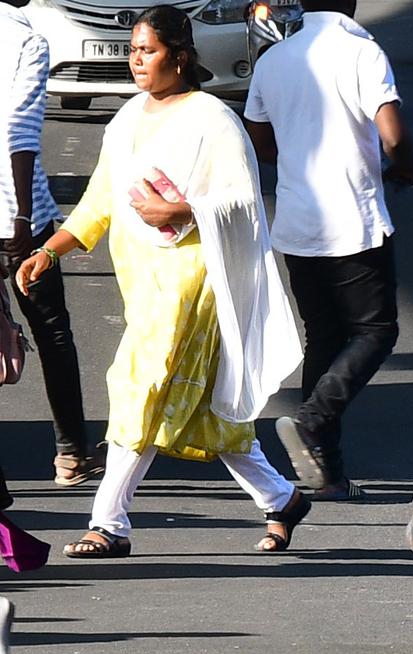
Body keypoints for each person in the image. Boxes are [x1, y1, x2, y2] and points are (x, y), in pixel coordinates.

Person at [15, 5, 308, 557]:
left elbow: (243, 201)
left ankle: (109, 523)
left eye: (146, 51)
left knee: (138, 387)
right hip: (143, 284)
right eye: (132, 51)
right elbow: (100, 198)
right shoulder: (127, 118)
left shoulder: (212, 119)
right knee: (199, 407)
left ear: (180, 55)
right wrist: (49, 252)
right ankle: (281, 498)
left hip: (194, 279)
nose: (136, 61)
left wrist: (182, 212)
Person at [244, 0, 413, 502]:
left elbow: (259, 136)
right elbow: (393, 134)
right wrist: (405, 169)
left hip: (298, 222)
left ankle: (326, 471)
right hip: (354, 222)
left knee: (323, 334)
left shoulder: (274, 59)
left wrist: (295, 156)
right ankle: (312, 420)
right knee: (375, 331)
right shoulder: (363, 53)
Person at [0, 0, 101, 487]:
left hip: (19, 214)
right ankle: (70, 455)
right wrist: (20, 213)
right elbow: (20, 130)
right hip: (24, 219)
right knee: (51, 333)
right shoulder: (27, 40)